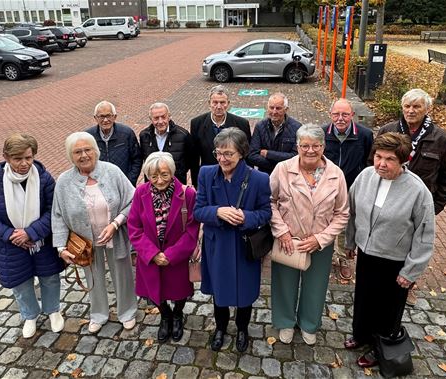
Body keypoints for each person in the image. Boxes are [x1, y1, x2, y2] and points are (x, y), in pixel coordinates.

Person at [344, 132, 435, 368]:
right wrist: (351, 242)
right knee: (364, 299)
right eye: (378, 157)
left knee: (388, 308)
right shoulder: (365, 177)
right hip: (367, 253)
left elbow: (425, 234)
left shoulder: (417, 191)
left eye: (389, 159)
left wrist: (411, 270)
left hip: (395, 261)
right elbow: (352, 212)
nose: (381, 164)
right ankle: (361, 334)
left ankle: (380, 347)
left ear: (403, 161)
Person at [0, 133, 64, 338]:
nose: (24, 163)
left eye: (29, 157)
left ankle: (53, 310)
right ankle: (30, 315)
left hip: (41, 240)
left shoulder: (43, 178)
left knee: (49, 277)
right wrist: (11, 235)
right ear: (6, 157)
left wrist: (31, 232)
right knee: (20, 282)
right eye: (18, 159)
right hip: (10, 245)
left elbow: (53, 211)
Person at [376, 88, 446, 305]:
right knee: (383, 242)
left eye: (416, 106)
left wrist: (433, 207)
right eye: (407, 106)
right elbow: (372, 164)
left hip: (418, 207)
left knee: (413, 247)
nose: (411, 111)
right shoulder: (387, 130)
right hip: (387, 201)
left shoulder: (441, 139)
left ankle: (408, 284)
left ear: (427, 109)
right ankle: (379, 283)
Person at [269, 124, 349, 346]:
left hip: (319, 242)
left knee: (316, 285)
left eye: (316, 146)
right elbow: (270, 201)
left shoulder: (336, 174)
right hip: (289, 239)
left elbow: (342, 213)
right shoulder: (282, 169)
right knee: (284, 283)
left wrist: (321, 239)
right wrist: (282, 231)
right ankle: (285, 321)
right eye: (305, 146)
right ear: (297, 146)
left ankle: (309, 323)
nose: (310, 150)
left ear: (323, 146)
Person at [193, 127, 271, 353]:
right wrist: (217, 212)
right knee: (220, 289)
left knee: (245, 291)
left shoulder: (258, 179)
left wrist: (246, 217)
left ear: (242, 153)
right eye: (218, 153)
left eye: (228, 154)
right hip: (217, 244)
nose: (222, 159)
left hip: (244, 245)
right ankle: (220, 327)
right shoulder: (207, 174)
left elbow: (266, 213)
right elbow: (198, 211)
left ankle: (243, 328)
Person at [52, 132, 137, 334]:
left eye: (87, 149)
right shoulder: (64, 181)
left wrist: (116, 223)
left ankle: (127, 311)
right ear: (70, 156)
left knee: (122, 274)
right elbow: (58, 215)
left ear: (96, 151)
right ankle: (99, 313)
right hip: (85, 242)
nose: (83, 155)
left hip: (115, 234)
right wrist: (61, 247)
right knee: (92, 277)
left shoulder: (112, 171)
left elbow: (133, 201)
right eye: (77, 152)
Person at [127, 152, 200, 343]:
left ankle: (177, 314)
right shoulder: (141, 192)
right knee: (155, 291)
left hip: (176, 257)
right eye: (154, 176)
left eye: (164, 175)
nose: (159, 181)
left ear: (172, 172)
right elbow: (134, 227)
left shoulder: (187, 194)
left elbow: (193, 229)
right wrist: (152, 254)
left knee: (180, 290)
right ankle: (165, 315)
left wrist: (170, 255)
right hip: (150, 256)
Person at [324, 99, 373, 281]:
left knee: (346, 225)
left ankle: (344, 258)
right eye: (336, 114)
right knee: (325, 223)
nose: (340, 118)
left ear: (352, 115)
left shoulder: (365, 135)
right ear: (331, 115)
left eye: (345, 114)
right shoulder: (322, 133)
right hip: (327, 190)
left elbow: (370, 164)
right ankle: (326, 258)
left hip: (352, 189)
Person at [190, 85, 251, 187]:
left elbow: (246, 155)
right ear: (209, 103)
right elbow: (194, 158)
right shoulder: (197, 123)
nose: (218, 106)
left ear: (228, 104)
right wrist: (196, 184)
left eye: (222, 102)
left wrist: (247, 179)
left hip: (234, 176)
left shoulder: (241, 124)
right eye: (215, 102)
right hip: (209, 178)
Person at [86, 100, 143, 186]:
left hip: (123, 184)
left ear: (115, 116)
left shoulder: (127, 133)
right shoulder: (88, 136)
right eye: (101, 116)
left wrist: (129, 181)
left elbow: (137, 159)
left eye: (108, 116)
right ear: (95, 118)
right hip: (99, 186)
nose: (105, 120)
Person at [139, 103, 195, 184]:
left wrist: (179, 171)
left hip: (176, 184)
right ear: (150, 119)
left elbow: (191, 161)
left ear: (169, 116)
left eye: (163, 117)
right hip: (153, 185)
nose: (160, 121)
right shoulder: (144, 135)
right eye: (156, 118)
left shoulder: (183, 135)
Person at [247, 92, 302, 175]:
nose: (274, 111)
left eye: (278, 108)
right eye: (271, 108)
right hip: (265, 175)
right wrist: (278, 165)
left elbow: (296, 156)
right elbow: (252, 155)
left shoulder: (297, 128)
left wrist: (268, 154)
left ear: (286, 109)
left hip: (288, 175)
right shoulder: (260, 126)